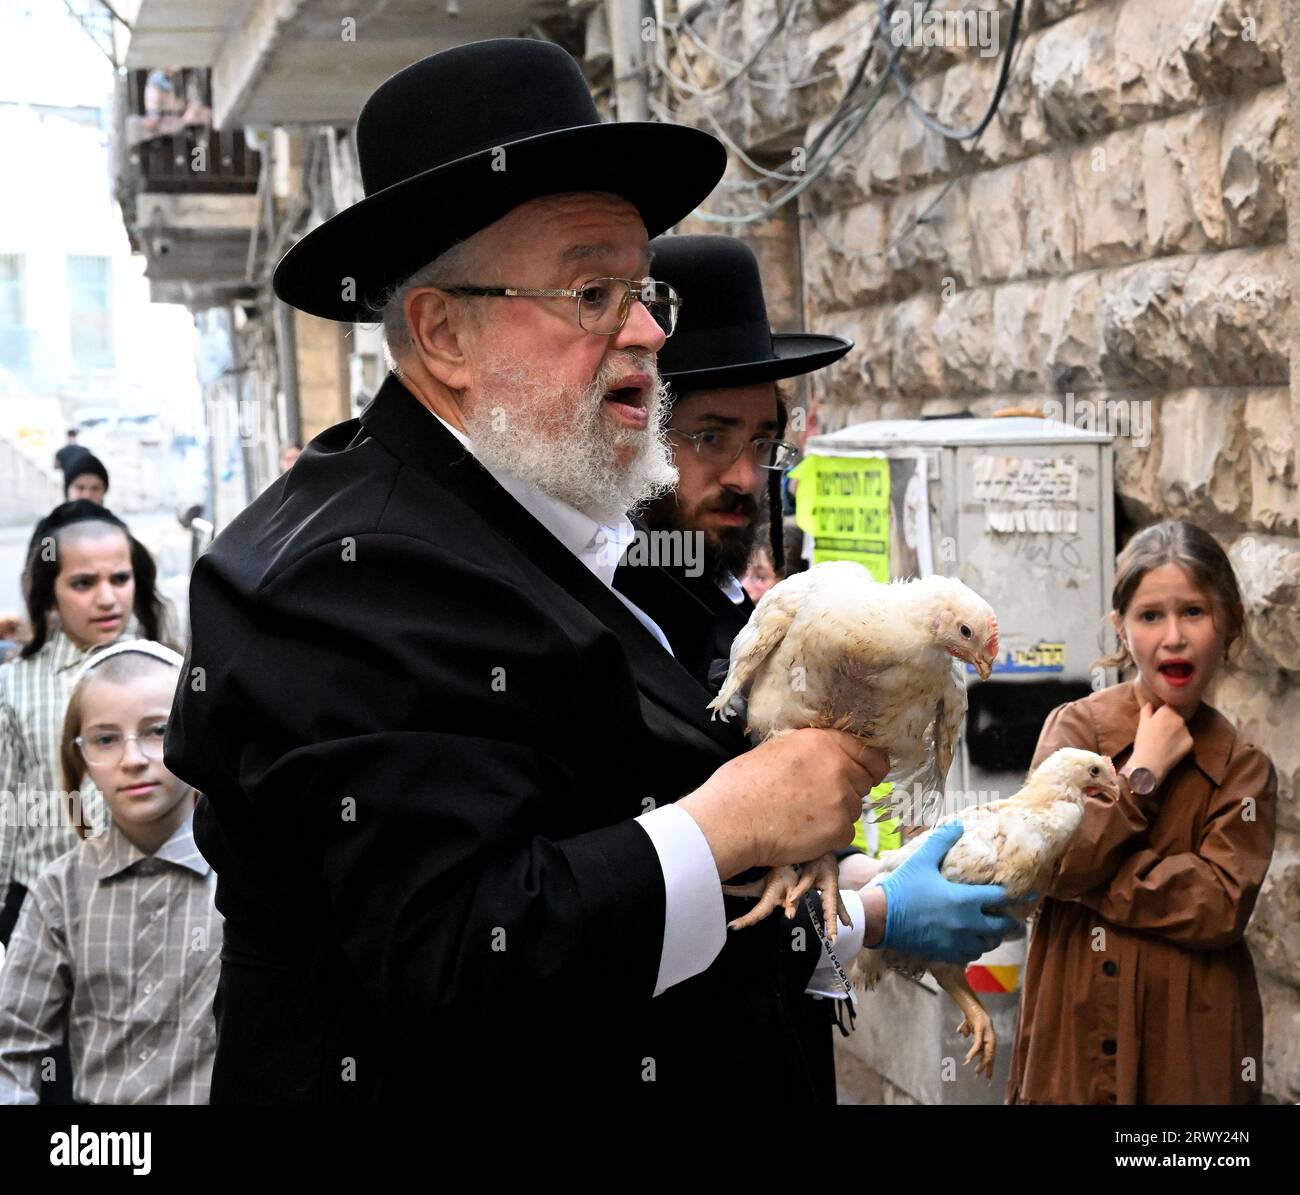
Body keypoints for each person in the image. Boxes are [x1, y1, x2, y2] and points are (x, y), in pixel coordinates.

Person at [165, 39, 1016, 1103]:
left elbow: (610, 839)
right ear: (444, 333)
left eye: (642, 285)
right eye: (590, 290)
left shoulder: (553, 537)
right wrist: (739, 814)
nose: (650, 330)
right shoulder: (349, 576)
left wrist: (841, 882)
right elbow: (461, 959)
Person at [1007, 519, 1277, 1104]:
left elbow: (1219, 906)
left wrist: (1091, 882)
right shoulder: (1076, 730)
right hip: (1075, 1026)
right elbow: (1049, 863)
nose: (1173, 637)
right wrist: (1140, 778)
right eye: (1151, 616)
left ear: (1228, 622)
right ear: (1121, 631)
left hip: (1191, 1039)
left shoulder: (1243, 768)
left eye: (1194, 613)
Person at [0, 640, 221, 1104]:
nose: (133, 759)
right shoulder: (59, 891)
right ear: (78, 757)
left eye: (158, 730)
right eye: (105, 738)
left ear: (195, 733)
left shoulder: (245, 883)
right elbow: (11, 1049)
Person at [628, 234, 852, 690]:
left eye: (762, 443)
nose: (746, 478)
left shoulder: (731, 604)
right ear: (635, 433)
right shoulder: (619, 617)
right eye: (710, 437)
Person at [0, 502, 175, 946]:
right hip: (42, 911)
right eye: (82, 583)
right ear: (50, 592)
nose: (106, 598)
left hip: (156, 902)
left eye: (120, 578)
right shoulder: (14, 685)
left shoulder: (173, 673)